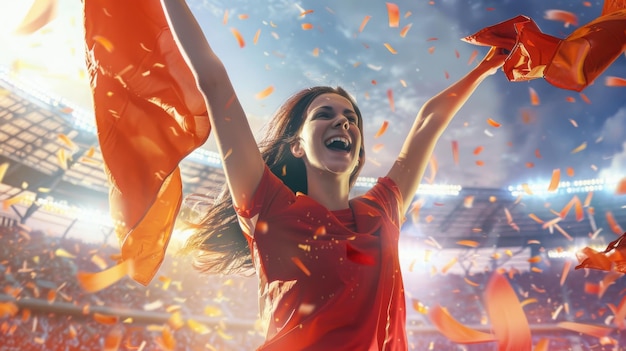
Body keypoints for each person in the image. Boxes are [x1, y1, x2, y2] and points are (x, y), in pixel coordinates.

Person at [161, 0, 507, 349]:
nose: (342, 121)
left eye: (351, 119)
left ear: (357, 153)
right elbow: (213, 80)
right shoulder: (268, 206)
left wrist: (487, 66)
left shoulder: (383, 210)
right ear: (297, 145)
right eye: (324, 114)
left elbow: (427, 121)